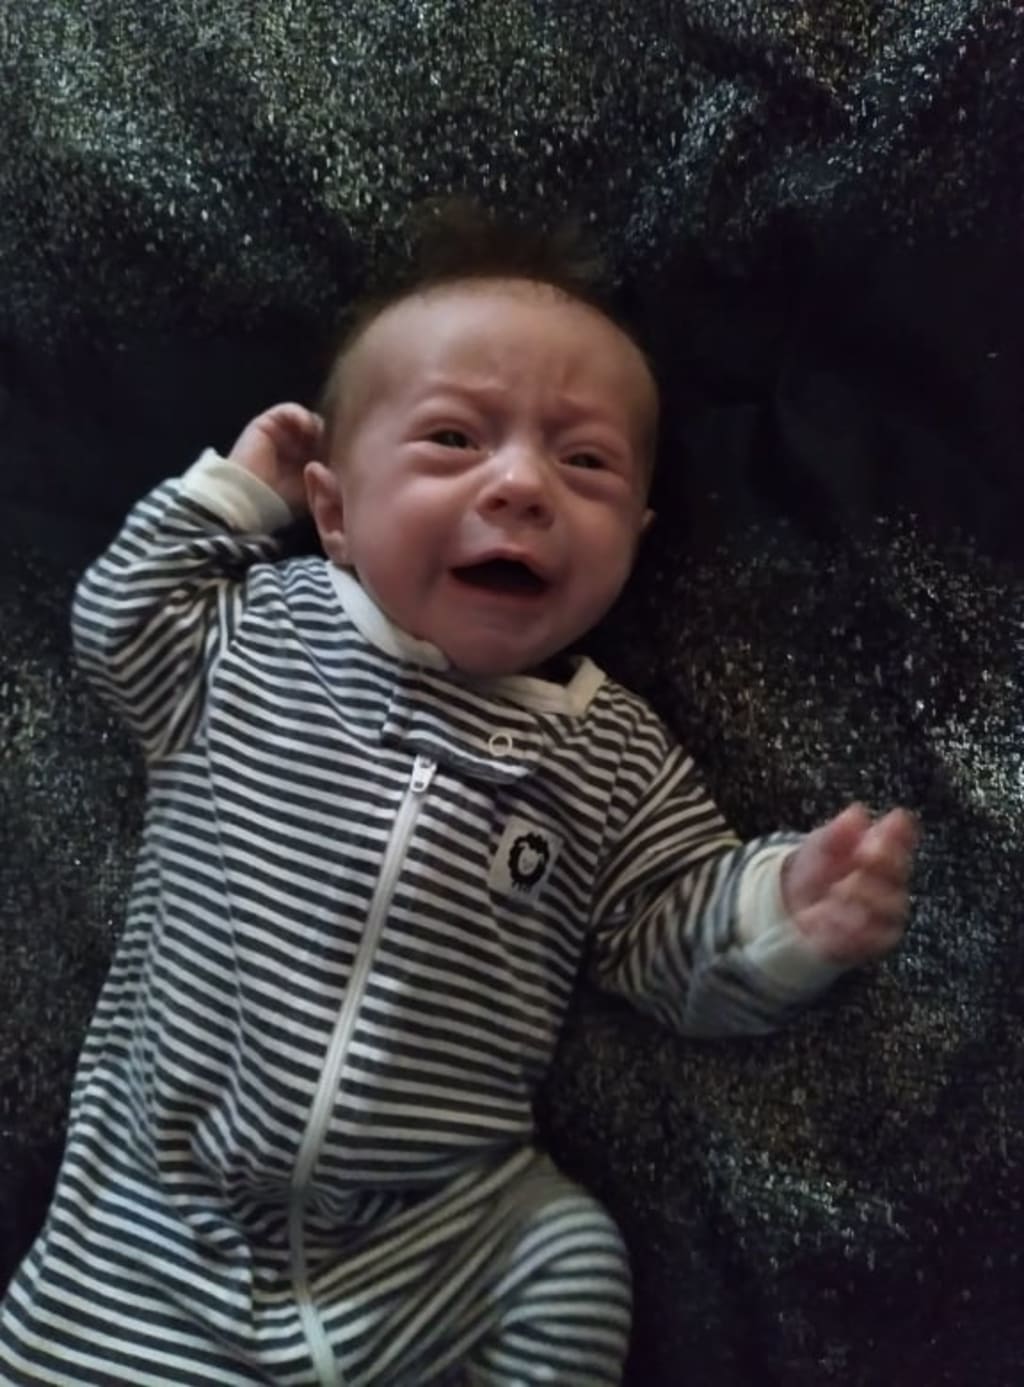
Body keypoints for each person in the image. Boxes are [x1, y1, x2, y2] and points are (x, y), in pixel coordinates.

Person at [0, 210, 917, 1386]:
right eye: (451, 439)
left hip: (435, 1235)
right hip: (151, 1226)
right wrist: (229, 495)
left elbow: (666, 934)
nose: (523, 484)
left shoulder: (612, 752)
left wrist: (784, 911)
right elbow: (116, 621)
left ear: (633, 540)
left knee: (569, 1259)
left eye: (585, 463)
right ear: (335, 511)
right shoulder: (254, 634)